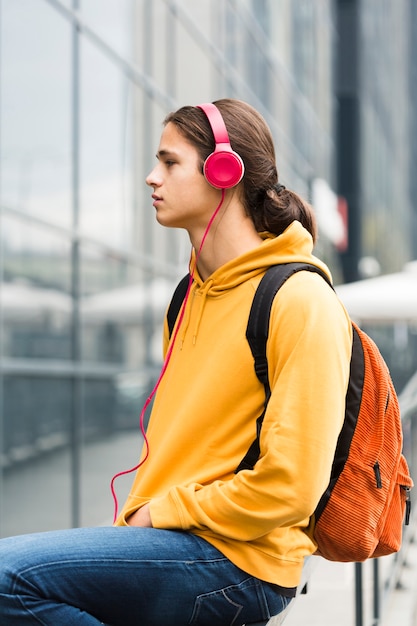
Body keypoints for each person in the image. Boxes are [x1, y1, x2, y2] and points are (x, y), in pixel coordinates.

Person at [0, 99, 352, 625]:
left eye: (169, 163)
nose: (150, 177)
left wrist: (162, 514)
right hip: (174, 540)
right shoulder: (186, 296)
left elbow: (293, 487)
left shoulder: (299, 299)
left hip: (240, 560)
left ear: (224, 172)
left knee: (8, 579)